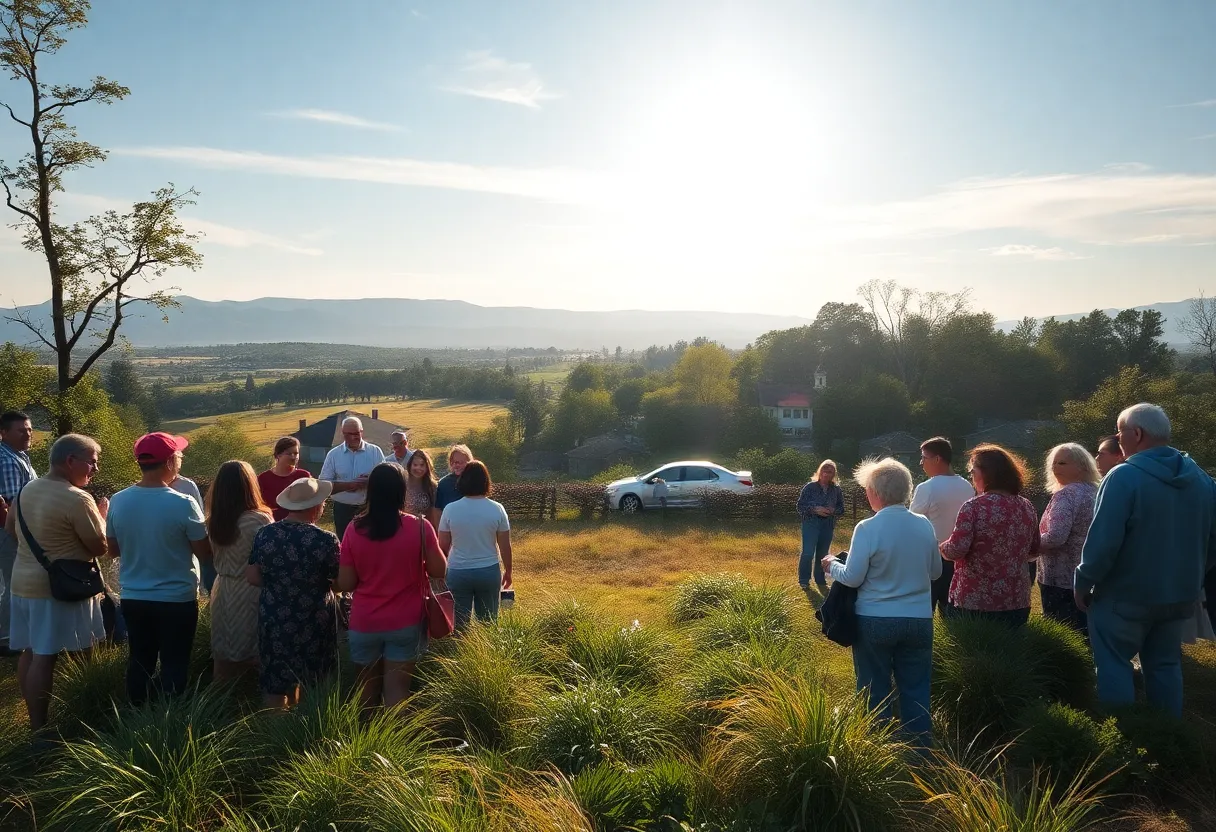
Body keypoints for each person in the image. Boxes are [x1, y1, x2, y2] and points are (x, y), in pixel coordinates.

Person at [1076, 403, 1216, 717]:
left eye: (1119, 430)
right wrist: (1194, 574)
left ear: (1136, 434)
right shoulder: (1202, 480)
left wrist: (1084, 581)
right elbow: (1213, 541)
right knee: (1166, 665)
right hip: (1180, 595)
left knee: (1113, 663)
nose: (1116, 436)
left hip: (1124, 597)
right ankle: (1168, 738)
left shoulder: (1123, 477)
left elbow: (1102, 544)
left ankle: (1124, 741)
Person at [822, 457, 940, 749]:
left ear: (875, 492)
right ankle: (919, 750)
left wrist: (830, 565)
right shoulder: (924, 525)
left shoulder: (867, 527)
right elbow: (936, 572)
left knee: (873, 687)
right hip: (919, 620)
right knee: (916, 687)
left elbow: (852, 577)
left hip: (875, 619)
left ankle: (878, 749)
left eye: (867, 489)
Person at [4, 434, 107, 731]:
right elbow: (99, 546)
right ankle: (73, 720)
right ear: (70, 461)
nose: (95, 469)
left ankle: (37, 724)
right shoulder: (77, 498)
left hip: (22, 584)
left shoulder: (27, 490)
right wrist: (102, 515)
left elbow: (11, 530)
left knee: (32, 652)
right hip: (60, 589)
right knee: (52, 655)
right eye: (92, 462)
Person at [106, 432, 212, 705]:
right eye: (178, 456)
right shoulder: (183, 502)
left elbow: (114, 549)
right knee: (174, 662)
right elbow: (204, 553)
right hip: (176, 597)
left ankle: (134, 717)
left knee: (140, 660)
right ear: (169, 462)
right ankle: (171, 720)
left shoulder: (118, 500)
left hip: (134, 596)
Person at [338, 464, 447, 711]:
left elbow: (346, 583)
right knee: (397, 690)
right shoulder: (420, 527)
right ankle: (396, 744)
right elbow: (440, 570)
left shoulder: (354, 529)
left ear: (371, 491)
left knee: (365, 692)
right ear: (401, 490)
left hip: (364, 621)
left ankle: (364, 743)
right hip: (405, 621)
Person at [246, 477, 341, 709]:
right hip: (315, 617)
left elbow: (252, 576)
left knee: (275, 680)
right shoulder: (326, 540)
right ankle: (306, 732)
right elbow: (339, 583)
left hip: (274, 615)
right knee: (314, 681)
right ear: (316, 507)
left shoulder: (265, 534)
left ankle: (274, 734)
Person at [940, 444, 1040, 627]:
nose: (971, 476)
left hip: (976, 600)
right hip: (1016, 598)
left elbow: (956, 550)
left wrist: (942, 546)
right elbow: (1034, 550)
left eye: (973, 471)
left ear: (986, 473)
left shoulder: (974, 507)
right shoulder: (1026, 506)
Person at [205, 460, 272, 684]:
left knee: (222, 654)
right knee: (257, 652)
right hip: (251, 589)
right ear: (250, 485)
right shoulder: (259, 519)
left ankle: (220, 706)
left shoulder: (213, 520)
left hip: (222, 588)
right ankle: (256, 707)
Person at [437, 461, 512, 629]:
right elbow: (505, 545)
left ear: (462, 481)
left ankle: (460, 653)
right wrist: (509, 570)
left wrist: (441, 572)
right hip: (488, 570)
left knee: (459, 625)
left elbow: (442, 546)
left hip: (457, 571)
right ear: (486, 482)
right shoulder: (497, 509)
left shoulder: (450, 509)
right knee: (488, 623)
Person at [1037, 443, 1100, 633]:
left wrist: (1028, 543)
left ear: (1082, 466)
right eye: (1054, 463)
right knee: (1087, 631)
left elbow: (1055, 537)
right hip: (1090, 573)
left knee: (1063, 634)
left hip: (1059, 578)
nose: (1055, 468)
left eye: (1062, 463)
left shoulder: (1066, 495)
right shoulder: (1095, 491)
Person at [909, 437, 974, 615]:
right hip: (959, 559)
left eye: (924, 457)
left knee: (922, 612)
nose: (921, 463)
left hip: (931, 559)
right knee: (951, 611)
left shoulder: (927, 488)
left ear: (937, 459)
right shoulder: (967, 486)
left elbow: (911, 522)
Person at [0, 410, 37, 657]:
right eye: (21, 430)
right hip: (10, 531)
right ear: (4, 433)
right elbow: (12, 504)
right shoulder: (7, 460)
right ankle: (6, 638)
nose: (27, 434)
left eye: (29, 429)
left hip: (13, 530)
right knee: (14, 584)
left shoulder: (17, 455)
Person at [319, 416, 385, 543]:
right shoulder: (333, 454)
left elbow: (385, 480)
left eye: (358, 433)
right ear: (343, 434)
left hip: (369, 507)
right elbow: (324, 485)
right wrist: (349, 485)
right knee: (345, 543)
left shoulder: (375, 452)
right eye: (351, 434)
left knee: (370, 542)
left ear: (362, 431)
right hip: (343, 509)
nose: (355, 437)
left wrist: (369, 482)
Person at [796, 460, 845, 590]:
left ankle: (820, 579)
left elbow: (841, 508)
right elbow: (800, 506)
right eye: (824, 470)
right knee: (808, 552)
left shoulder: (836, 490)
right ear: (820, 471)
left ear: (833, 474)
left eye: (830, 471)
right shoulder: (810, 487)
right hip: (811, 522)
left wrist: (833, 510)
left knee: (823, 554)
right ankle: (804, 580)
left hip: (828, 523)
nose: (826, 473)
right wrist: (815, 509)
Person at [258, 437, 312, 522]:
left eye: (296, 453)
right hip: (271, 525)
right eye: (289, 454)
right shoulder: (263, 478)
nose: (293, 457)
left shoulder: (303, 476)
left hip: (300, 524)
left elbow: (311, 502)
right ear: (278, 455)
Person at [403, 448, 440, 528]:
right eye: (415, 465)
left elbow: (435, 514)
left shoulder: (432, 486)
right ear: (410, 465)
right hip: (403, 527)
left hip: (423, 529)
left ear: (427, 467)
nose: (418, 468)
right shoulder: (402, 481)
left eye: (422, 465)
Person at [434, 444, 472, 515]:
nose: (456, 465)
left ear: (469, 462)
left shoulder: (476, 480)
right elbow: (437, 509)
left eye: (460, 462)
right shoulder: (443, 483)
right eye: (453, 462)